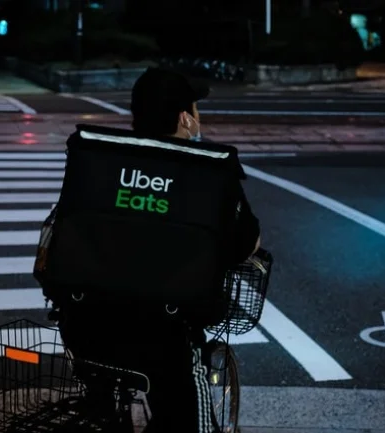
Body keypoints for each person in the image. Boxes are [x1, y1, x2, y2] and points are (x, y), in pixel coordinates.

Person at [50, 67, 261, 433]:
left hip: (85, 328)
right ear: (185, 117)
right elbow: (245, 242)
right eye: (195, 109)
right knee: (188, 417)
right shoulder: (208, 172)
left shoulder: (97, 157)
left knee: (101, 393)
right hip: (164, 343)